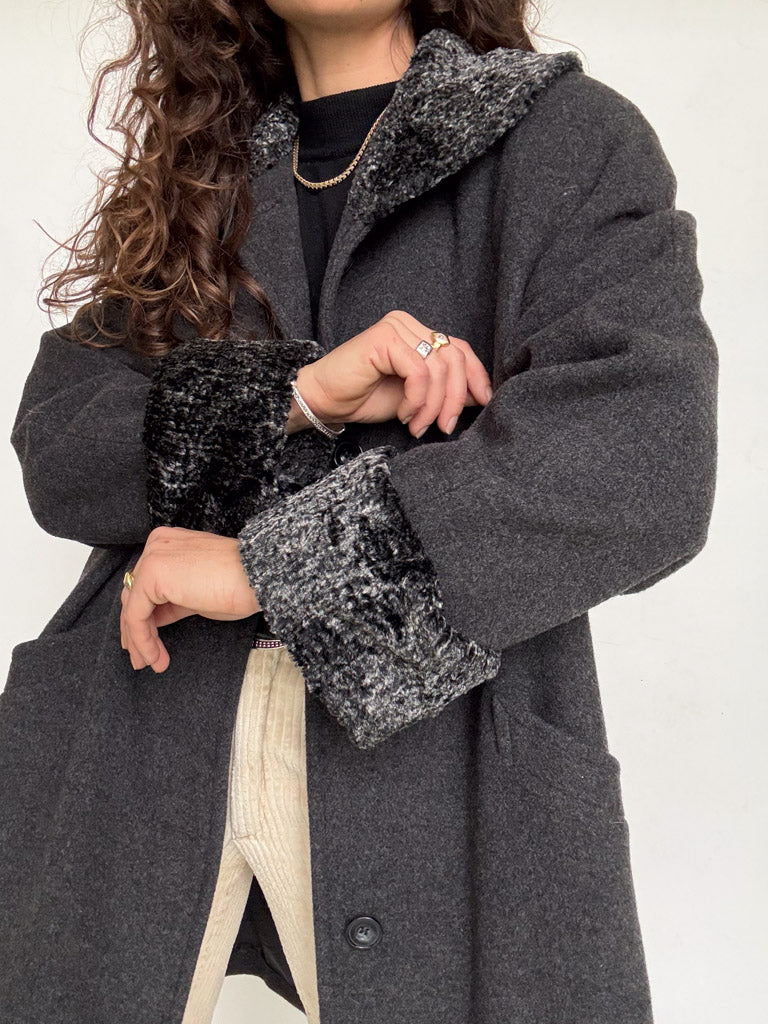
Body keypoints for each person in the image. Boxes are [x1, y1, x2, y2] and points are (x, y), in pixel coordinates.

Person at [1, 1, 718, 1023]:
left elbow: (644, 457)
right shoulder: (196, 176)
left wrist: (269, 571)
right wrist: (296, 396)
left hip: (449, 776)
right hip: (138, 750)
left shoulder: (564, 140)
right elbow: (59, 446)